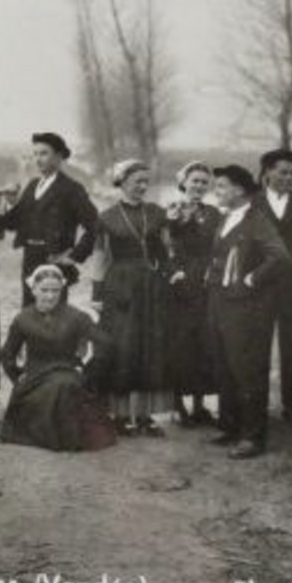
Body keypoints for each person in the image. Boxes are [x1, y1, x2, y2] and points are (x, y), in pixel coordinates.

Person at [205, 164, 292, 459]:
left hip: (247, 308)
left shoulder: (258, 220)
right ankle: (230, 426)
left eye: (220, 187)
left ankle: (252, 437)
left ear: (239, 190)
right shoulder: (227, 217)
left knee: (248, 369)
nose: (216, 192)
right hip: (220, 302)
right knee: (225, 365)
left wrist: (251, 280)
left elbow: (279, 257)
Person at [92, 159, 178, 436]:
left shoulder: (156, 213)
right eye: (137, 181)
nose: (142, 186)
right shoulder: (106, 217)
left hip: (150, 287)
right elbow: (99, 258)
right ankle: (119, 414)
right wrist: (96, 294)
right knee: (122, 347)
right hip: (119, 286)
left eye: (146, 182)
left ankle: (144, 415)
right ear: (122, 181)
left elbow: (165, 252)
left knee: (148, 347)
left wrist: (171, 274)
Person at [0, 265, 117, 452]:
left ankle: (64, 438)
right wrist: (17, 377)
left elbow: (106, 344)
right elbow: (7, 355)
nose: (50, 296)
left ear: (62, 290)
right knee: (55, 389)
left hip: (67, 372)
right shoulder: (23, 319)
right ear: (33, 289)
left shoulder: (76, 316)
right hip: (35, 377)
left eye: (55, 291)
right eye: (44, 290)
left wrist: (88, 372)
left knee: (64, 385)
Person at [0, 132, 99, 304]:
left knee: (52, 316)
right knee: (29, 313)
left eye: (44, 153)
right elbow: (11, 223)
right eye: (35, 154)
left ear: (58, 156)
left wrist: (74, 256)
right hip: (30, 259)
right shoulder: (33, 185)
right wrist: (1, 203)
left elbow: (95, 226)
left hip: (54, 262)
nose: (38, 159)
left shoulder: (71, 189)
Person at [257, 148, 292, 424]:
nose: (288, 177)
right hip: (260, 284)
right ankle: (257, 404)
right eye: (282, 172)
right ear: (267, 172)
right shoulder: (251, 203)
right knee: (257, 344)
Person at [164, 161, 221, 426]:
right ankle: (179, 405)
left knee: (204, 343)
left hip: (206, 281)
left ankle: (200, 405)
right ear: (183, 182)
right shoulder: (172, 211)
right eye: (194, 180)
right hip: (180, 282)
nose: (198, 186)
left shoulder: (213, 213)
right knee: (180, 343)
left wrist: (213, 270)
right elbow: (165, 246)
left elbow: (217, 246)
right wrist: (174, 271)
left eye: (203, 182)